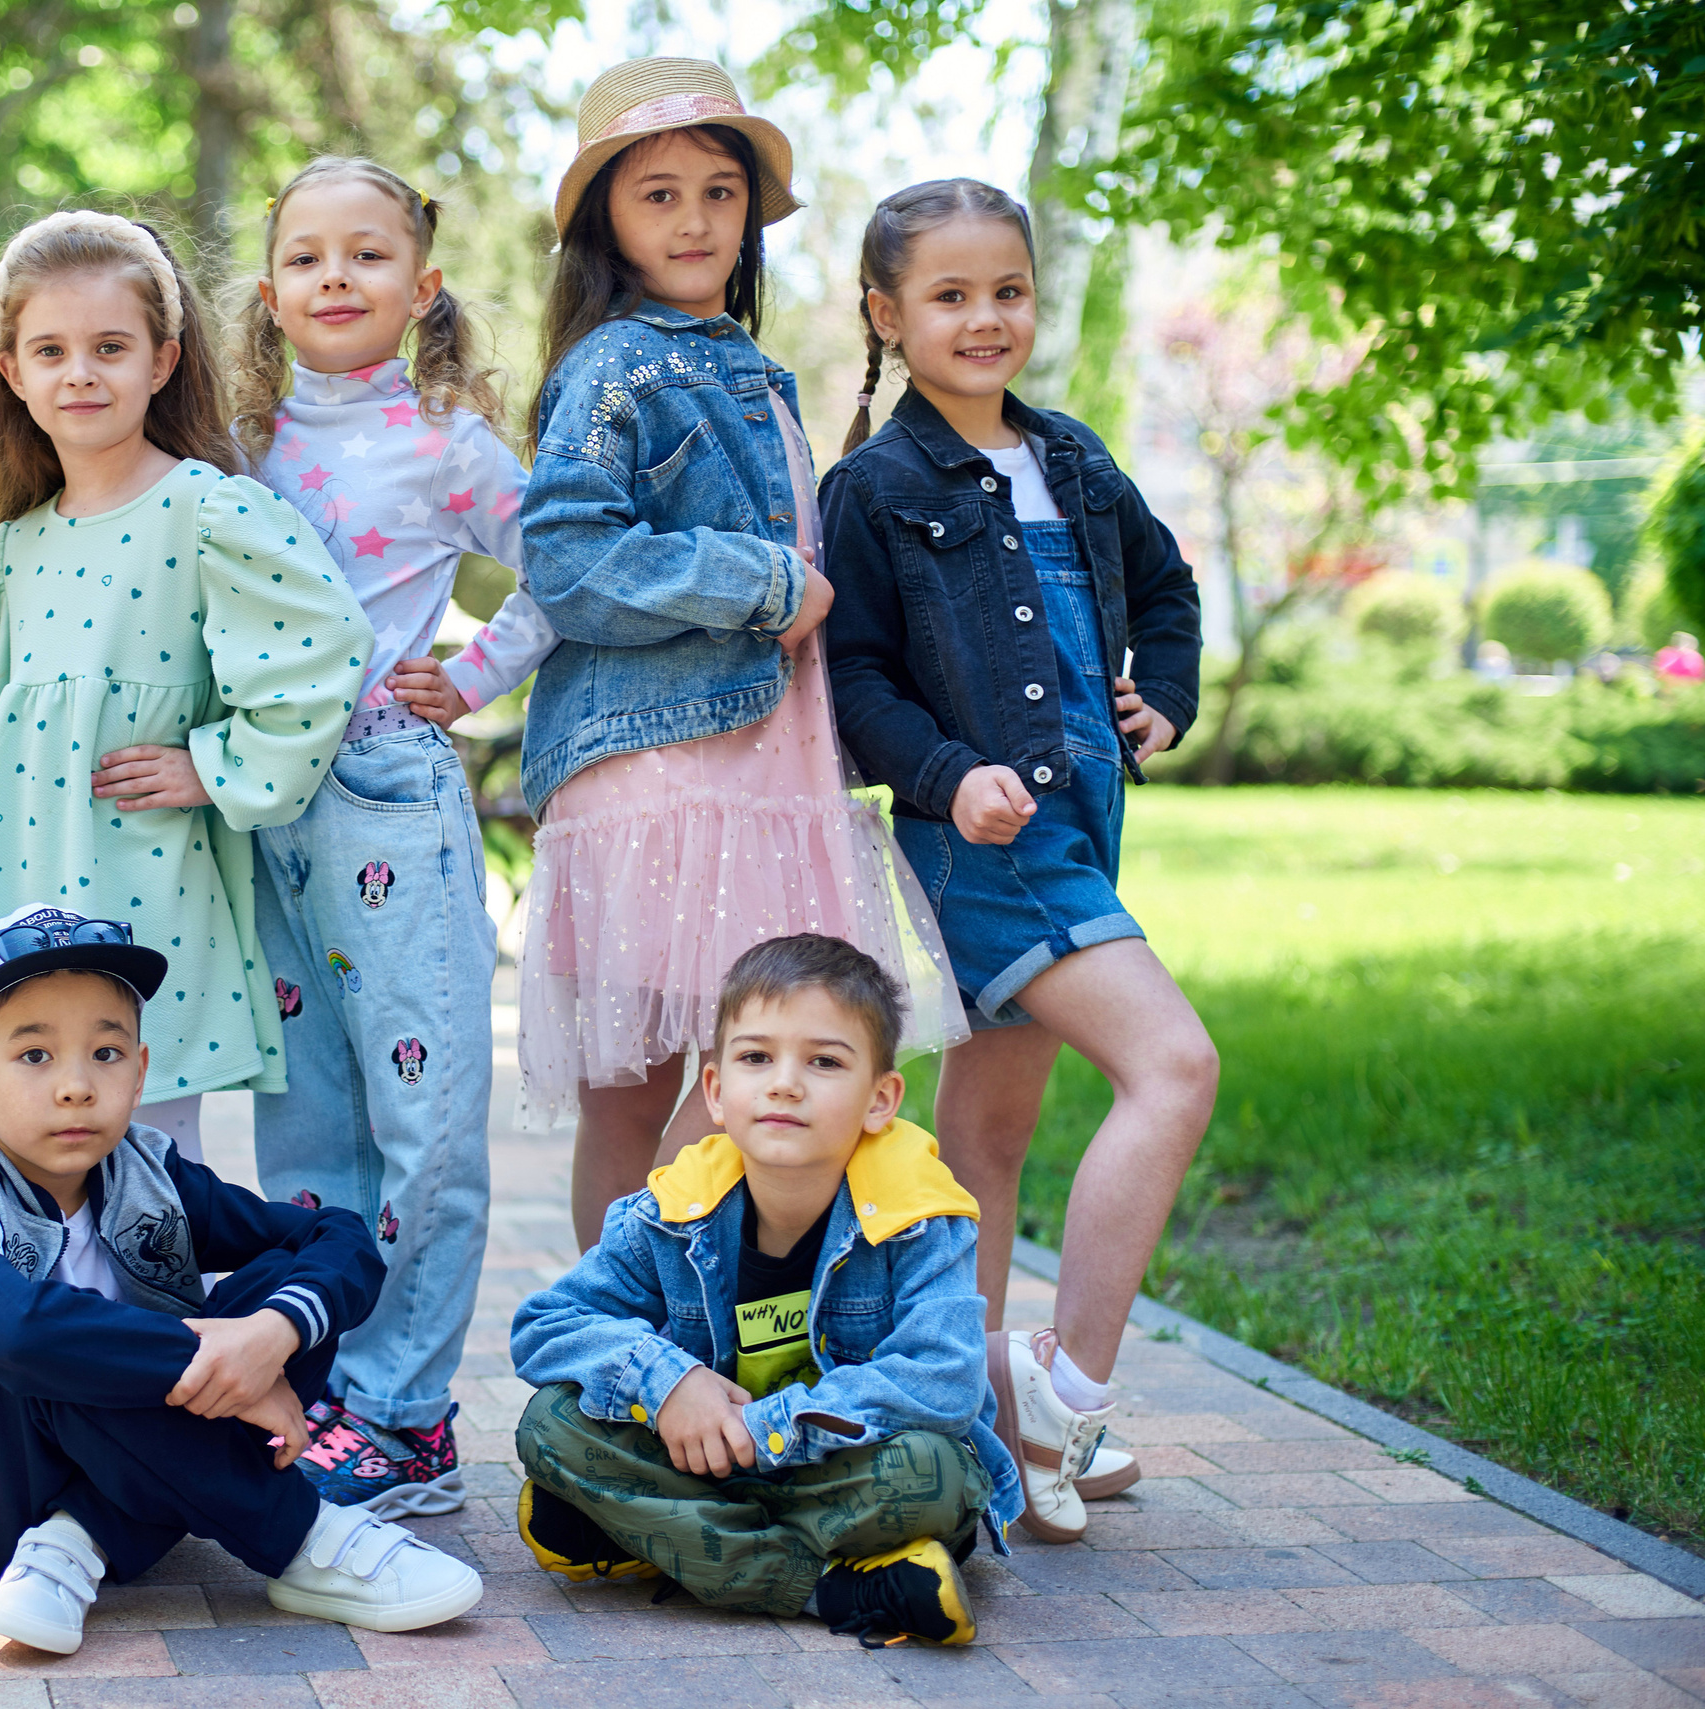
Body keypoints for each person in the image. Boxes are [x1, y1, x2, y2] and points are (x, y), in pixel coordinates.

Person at [819, 178, 1218, 1542]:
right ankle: (1065, 1391)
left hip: (1079, 836)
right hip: (991, 851)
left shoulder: (1077, 456)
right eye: (950, 295)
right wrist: (944, 772)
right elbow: (854, 678)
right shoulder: (874, 487)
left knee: (988, 1141)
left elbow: (1166, 590)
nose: (986, 318)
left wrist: (1164, 692)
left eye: (1009, 291)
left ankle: (983, 1434)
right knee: (1174, 1067)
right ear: (888, 314)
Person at [514, 57, 967, 1250]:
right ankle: (654, 1339)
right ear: (605, 216)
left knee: (656, 1076)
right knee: (729, 1068)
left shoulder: (735, 361)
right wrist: (762, 582)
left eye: (718, 191)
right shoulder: (626, 360)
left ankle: (623, 1345)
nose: (695, 219)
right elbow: (564, 555)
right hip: (672, 763)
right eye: (657, 193)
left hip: (748, 757)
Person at [0, 908, 483, 1653]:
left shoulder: (149, 1175)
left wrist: (268, 1337)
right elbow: (19, 1330)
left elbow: (335, 1235)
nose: (77, 1085)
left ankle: (74, 1543)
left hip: (121, 1467)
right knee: (52, 1349)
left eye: (106, 1052)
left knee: (279, 1293)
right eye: (34, 1056)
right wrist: (220, 1360)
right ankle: (305, 1538)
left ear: (140, 1071)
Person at [0, 209, 373, 1164]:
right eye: (51, 350)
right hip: (10, 895)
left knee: (135, 1162)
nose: (81, 372)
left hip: (137, 893)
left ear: (161, 360)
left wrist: (218, 767)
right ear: (11, 370)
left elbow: (324, 647)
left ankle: (139, 1317)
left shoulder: (205, 509)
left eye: (110, 347)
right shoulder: (14, 548)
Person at [231, 155, 557, 1515]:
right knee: (305, 1129)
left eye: (367, 256)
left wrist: (475, 677)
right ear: (269, 292)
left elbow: (565, 566)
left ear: (420, 289)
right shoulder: (236, 447)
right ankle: (324, 1386)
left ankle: (410, 1414)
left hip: (393, 804)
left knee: (423, 1123)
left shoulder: (443, 440)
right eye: (307, 257)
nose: (335, 279)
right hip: (264, 818)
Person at [509, 934, 1021, 1645]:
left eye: (824, 1061)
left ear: (881, 1099)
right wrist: (670, 1382)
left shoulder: (920, 1217)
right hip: (709, 1459)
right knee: (549, 1425)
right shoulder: (671, 1212)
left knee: (933, 1475)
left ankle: (647, 1532)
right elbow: (546, 1324)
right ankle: (838, 1585)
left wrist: (770, 1427)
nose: (785, 1082)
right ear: (716, 1091)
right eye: (756, 1056)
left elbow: (943, 1381)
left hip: (841, 1469)